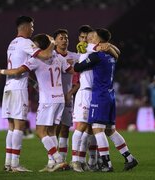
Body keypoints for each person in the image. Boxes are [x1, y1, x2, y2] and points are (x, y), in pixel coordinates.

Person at [0, 33, 74, 172]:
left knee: (39, 131)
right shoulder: (59, 57)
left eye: (35, 45)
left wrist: (1, 71)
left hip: (47, 101)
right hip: (60, 99)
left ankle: (58, 159)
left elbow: (18, 71)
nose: (33, 48)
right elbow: (71, 70)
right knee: (51, 131)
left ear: (39, 46)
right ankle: (51, 163)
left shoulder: (35, 60)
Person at [74, 28, 138, 172]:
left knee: (97, 129)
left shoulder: (97, 56)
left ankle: (106, 164)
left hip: (99, 95)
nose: (91, 39)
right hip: (110, 95)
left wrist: (81, 55)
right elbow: (117, 52)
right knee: (110, 130)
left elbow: (78, 67)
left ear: (100, 40)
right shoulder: (111, 56)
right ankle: (129, 158)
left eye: (94, 37)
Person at [0, 16, 55, 172]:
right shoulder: (26, 43)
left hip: (8, 87)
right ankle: (15, 164)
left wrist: (33, 82)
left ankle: (8, 163)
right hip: (18, 89)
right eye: (32, 26)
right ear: (26, 27)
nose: (33, 29)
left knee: (11, 126)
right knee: (19, 126)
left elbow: (20, 66)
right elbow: (45, 55)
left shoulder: (12, 43)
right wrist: (52, 44)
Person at [71, 25, 119, 172]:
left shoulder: (95, 50)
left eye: (89, 37)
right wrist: (108, 46)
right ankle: (76, 161)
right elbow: (76, 68)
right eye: (83, 37)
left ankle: (90, 160)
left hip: (96, 93)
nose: (86, 40)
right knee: (82, 127)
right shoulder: (89, 52)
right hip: (85, 92)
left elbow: (116, 54)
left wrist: (108, 45)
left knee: (92, 130)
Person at [53, 28, 80, 163]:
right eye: (61, 38)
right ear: (55, 41)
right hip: (54, 98)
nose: (64, 40)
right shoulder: (50, 56)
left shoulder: (74, 57)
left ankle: (62, 161)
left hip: (68, 97)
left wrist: (70, 93)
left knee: (65, 129)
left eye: (66, 38)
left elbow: (82, 77)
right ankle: (52, 160)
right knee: (54, 130)